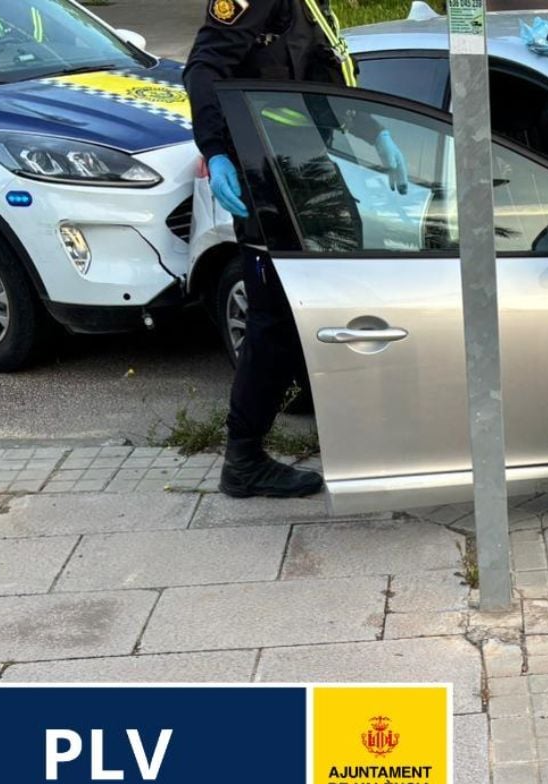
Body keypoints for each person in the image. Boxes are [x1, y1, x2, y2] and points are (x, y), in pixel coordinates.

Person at [184, 0, 407, 497]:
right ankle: (243, 458)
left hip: (304, 167)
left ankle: (350, 434)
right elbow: (204, 67)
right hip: (268, 173)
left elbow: (324, 80)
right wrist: (216, 151)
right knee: (274, 321)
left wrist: (378, 133)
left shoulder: (310, 4)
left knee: (328, 303)